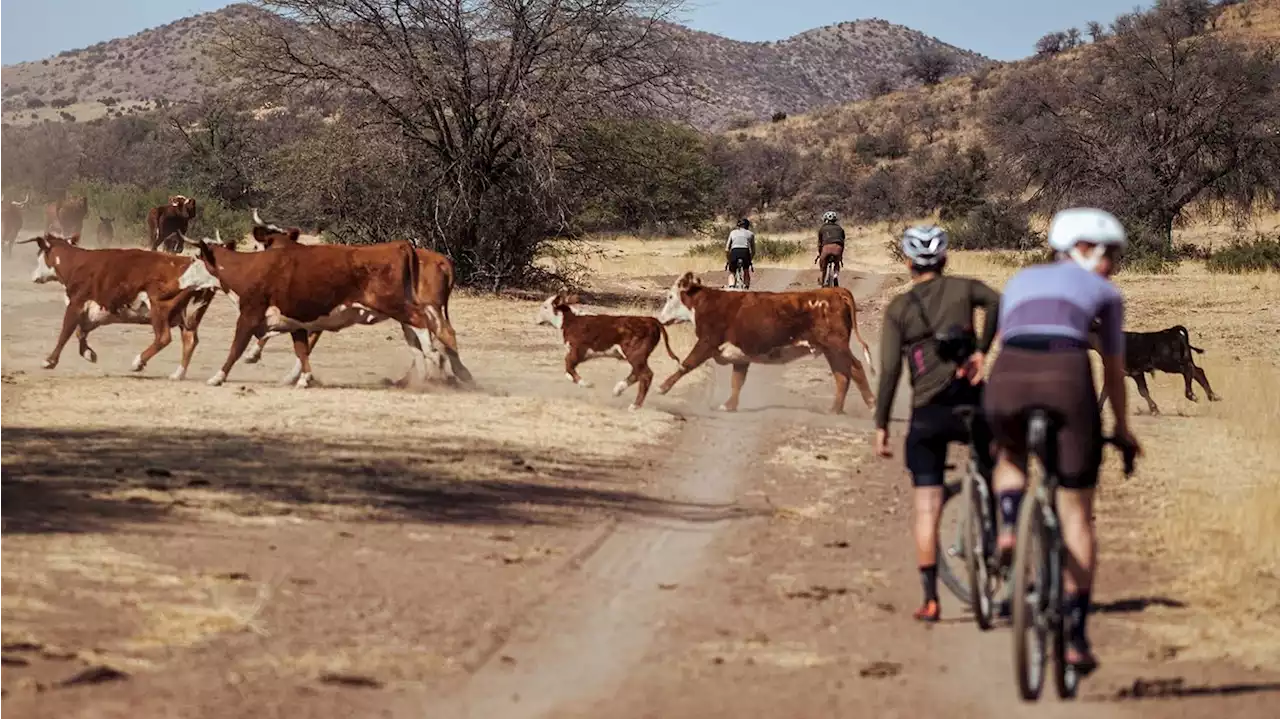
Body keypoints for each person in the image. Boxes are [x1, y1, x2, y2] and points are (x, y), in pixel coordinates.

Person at [983, 207, 1141, 675]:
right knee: (1077, 511)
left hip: (1008, 373)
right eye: (1108, 253)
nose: (1113, 263)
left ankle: (1009, 525)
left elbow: (1003, 337)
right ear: (1083, 249)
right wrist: (1122, 428)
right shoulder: (1106, 293)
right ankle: (1074, 637)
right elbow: (1114, 371)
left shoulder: (1019, 280)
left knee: (1009, 455)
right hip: (1067, 373)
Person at [873, 225, 1002, 623]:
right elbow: (999, 302)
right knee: (998, 467)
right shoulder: (964, 288)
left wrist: (881, 425)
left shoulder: (898, 308)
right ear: (945, 260)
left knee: (926, 509)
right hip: (971, 402)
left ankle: (931, 600)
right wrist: (982, 350)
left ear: (908, 263)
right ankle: (1001, 538)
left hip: (927, 414)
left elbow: (891, 372)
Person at [815, 211, 846, 283]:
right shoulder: (840, 228)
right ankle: (835, 275)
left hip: (826, 249)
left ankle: (822, 279)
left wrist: (820, 253)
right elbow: (842, 241)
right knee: (836, 263)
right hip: (838, 248)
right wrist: (840, 256)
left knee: (823, 264)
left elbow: (820, 243)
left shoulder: (822, 228)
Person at [725, 217, 755, 289]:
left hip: (734, 252)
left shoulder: (732, 232)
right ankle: (746, 287)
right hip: (745, 252)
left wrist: (729, 259)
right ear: (747, 226)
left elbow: (726, 249)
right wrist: (750, 260)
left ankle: (731, 287)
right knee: (746, 270)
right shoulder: (751, 234)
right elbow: (753, 250)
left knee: (732, 271)